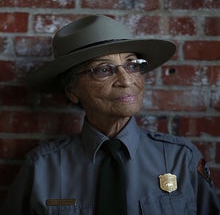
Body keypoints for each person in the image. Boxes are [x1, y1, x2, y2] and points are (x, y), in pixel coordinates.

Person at [1, 15, 220, 215]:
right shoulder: (42, 167)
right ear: (72, 90)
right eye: (103, 69)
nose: (126, 80)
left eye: (132, 65)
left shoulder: (180, 159)